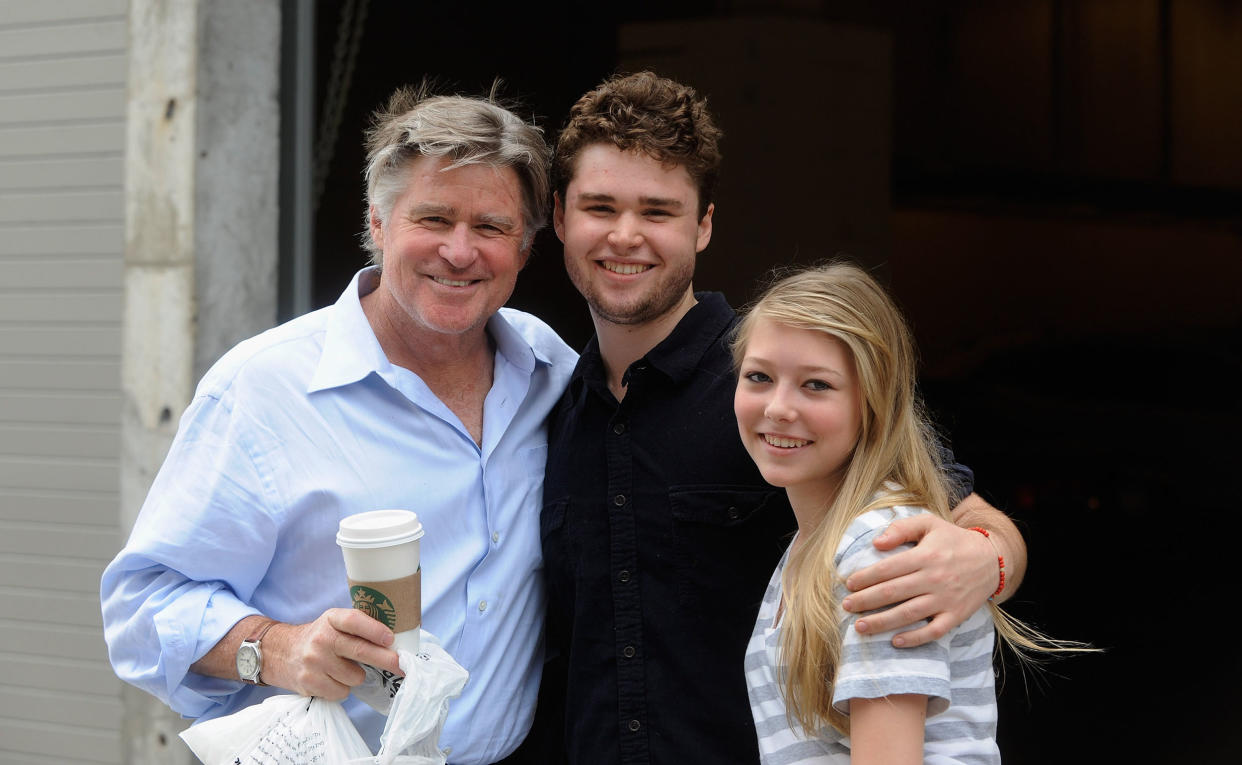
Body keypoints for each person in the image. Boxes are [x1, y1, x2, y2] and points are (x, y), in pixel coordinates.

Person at [538, 71, 1027, 764]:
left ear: (703, 224)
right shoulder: (546, 408)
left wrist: (988, 558)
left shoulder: (772, 390)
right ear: (560, 217)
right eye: (600, 207)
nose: (625, 235)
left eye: (657, 211)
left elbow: (955, 515)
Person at [100, 85, 577, 762]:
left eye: (492, 227)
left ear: (526, 247)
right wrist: (278, 648)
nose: (460, 251)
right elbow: (139, 609)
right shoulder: (264, 389)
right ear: (378, 224)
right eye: (433, 218)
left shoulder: (548, 370)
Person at [735, 261, 1054, 762]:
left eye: (816, 384)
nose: (777, 406)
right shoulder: (818, 543)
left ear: (874, 401)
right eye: (758, 376)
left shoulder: (877, 549)